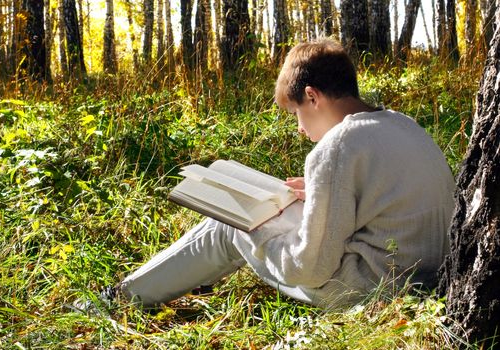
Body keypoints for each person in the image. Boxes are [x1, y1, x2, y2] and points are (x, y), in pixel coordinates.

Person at [110, 38, 455, 309]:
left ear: (312, 96)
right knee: (269, 214)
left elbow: (309, 269)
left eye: (295, 113)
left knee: (227, 226)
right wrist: (321, 191)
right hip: (426, 275)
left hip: (366, 289)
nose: (300, 129)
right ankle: (147, 288)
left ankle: (119, 299)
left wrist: (259, 234)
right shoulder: (402, 124)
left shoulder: (336, 147)